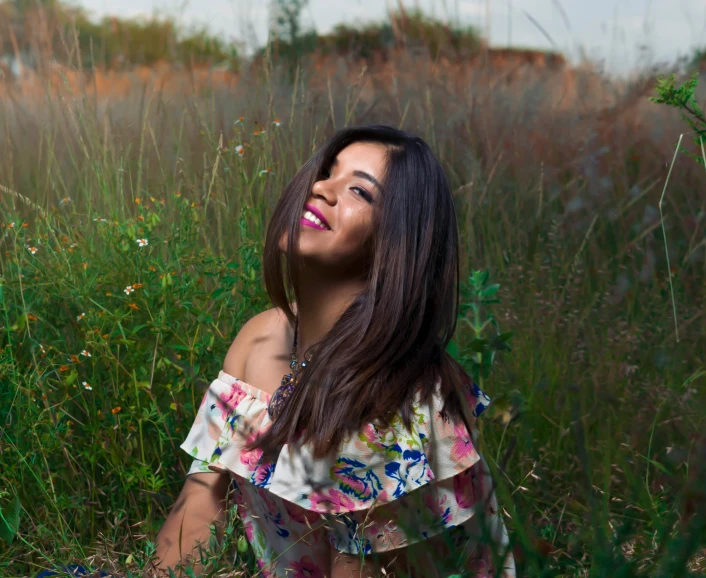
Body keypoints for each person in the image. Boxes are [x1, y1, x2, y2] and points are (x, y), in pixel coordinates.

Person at [147, 124, 516, 577]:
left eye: (359, 190)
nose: (322, 188)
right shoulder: (259, 339)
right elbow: (200, 503)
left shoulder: (398, 405)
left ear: (396, 242)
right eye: (326, 172)